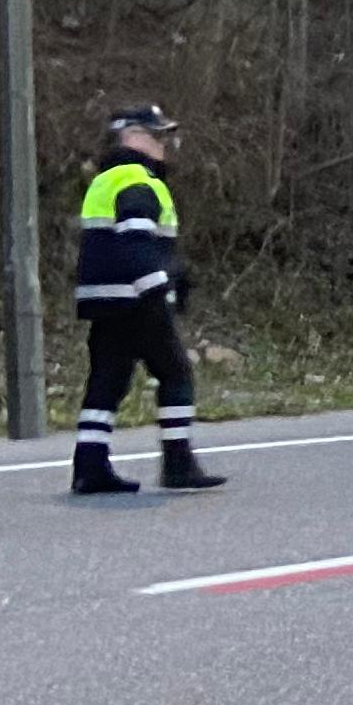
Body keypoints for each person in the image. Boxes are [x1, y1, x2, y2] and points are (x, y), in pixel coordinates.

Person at [70, 104, 222, 496]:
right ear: (133, 137)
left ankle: (89, 467)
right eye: (158, 136)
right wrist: (161, 288)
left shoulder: (105, 181)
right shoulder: (139, 181)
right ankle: (178, 462)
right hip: (137, 298)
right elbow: (136, 240)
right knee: (175, 373)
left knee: (106, 382)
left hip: (103, 301)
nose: (165, 145)